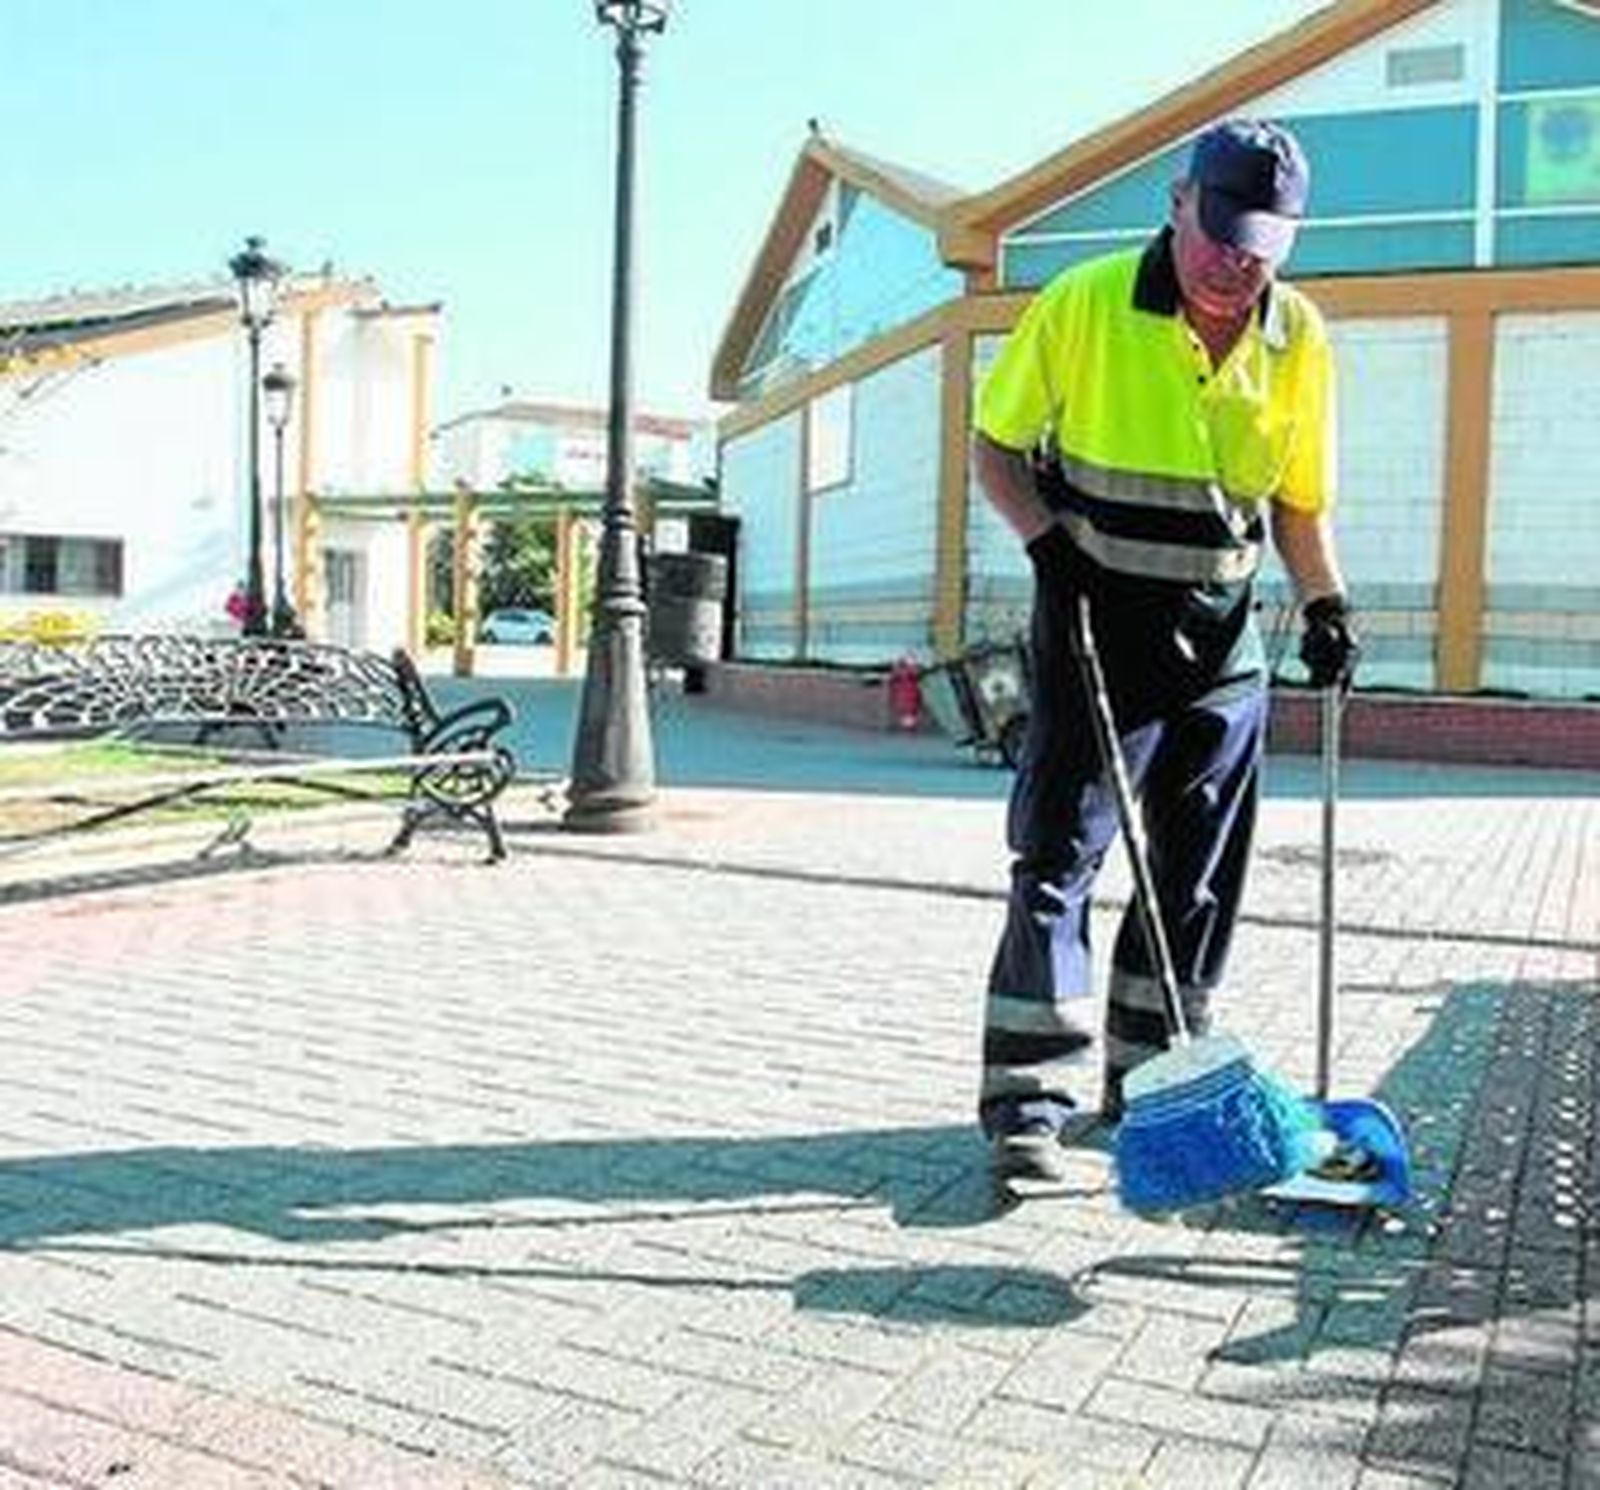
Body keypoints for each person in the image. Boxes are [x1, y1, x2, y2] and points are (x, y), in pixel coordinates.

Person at [971, 117, 1360, 1186]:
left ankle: (1153, 1086)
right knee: (1058, 858)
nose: (1236, 264)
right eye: (1221, 234)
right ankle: (1026, 1103)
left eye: (1262, 245)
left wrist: (1325, 603)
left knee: (1193, 879)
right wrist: (1046, 547)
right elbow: (994, 447)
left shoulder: (1300, 336)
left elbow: (1295, 501)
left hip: (1222, 638)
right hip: (1095, 620)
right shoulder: (1086, 302)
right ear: (1178, 201)